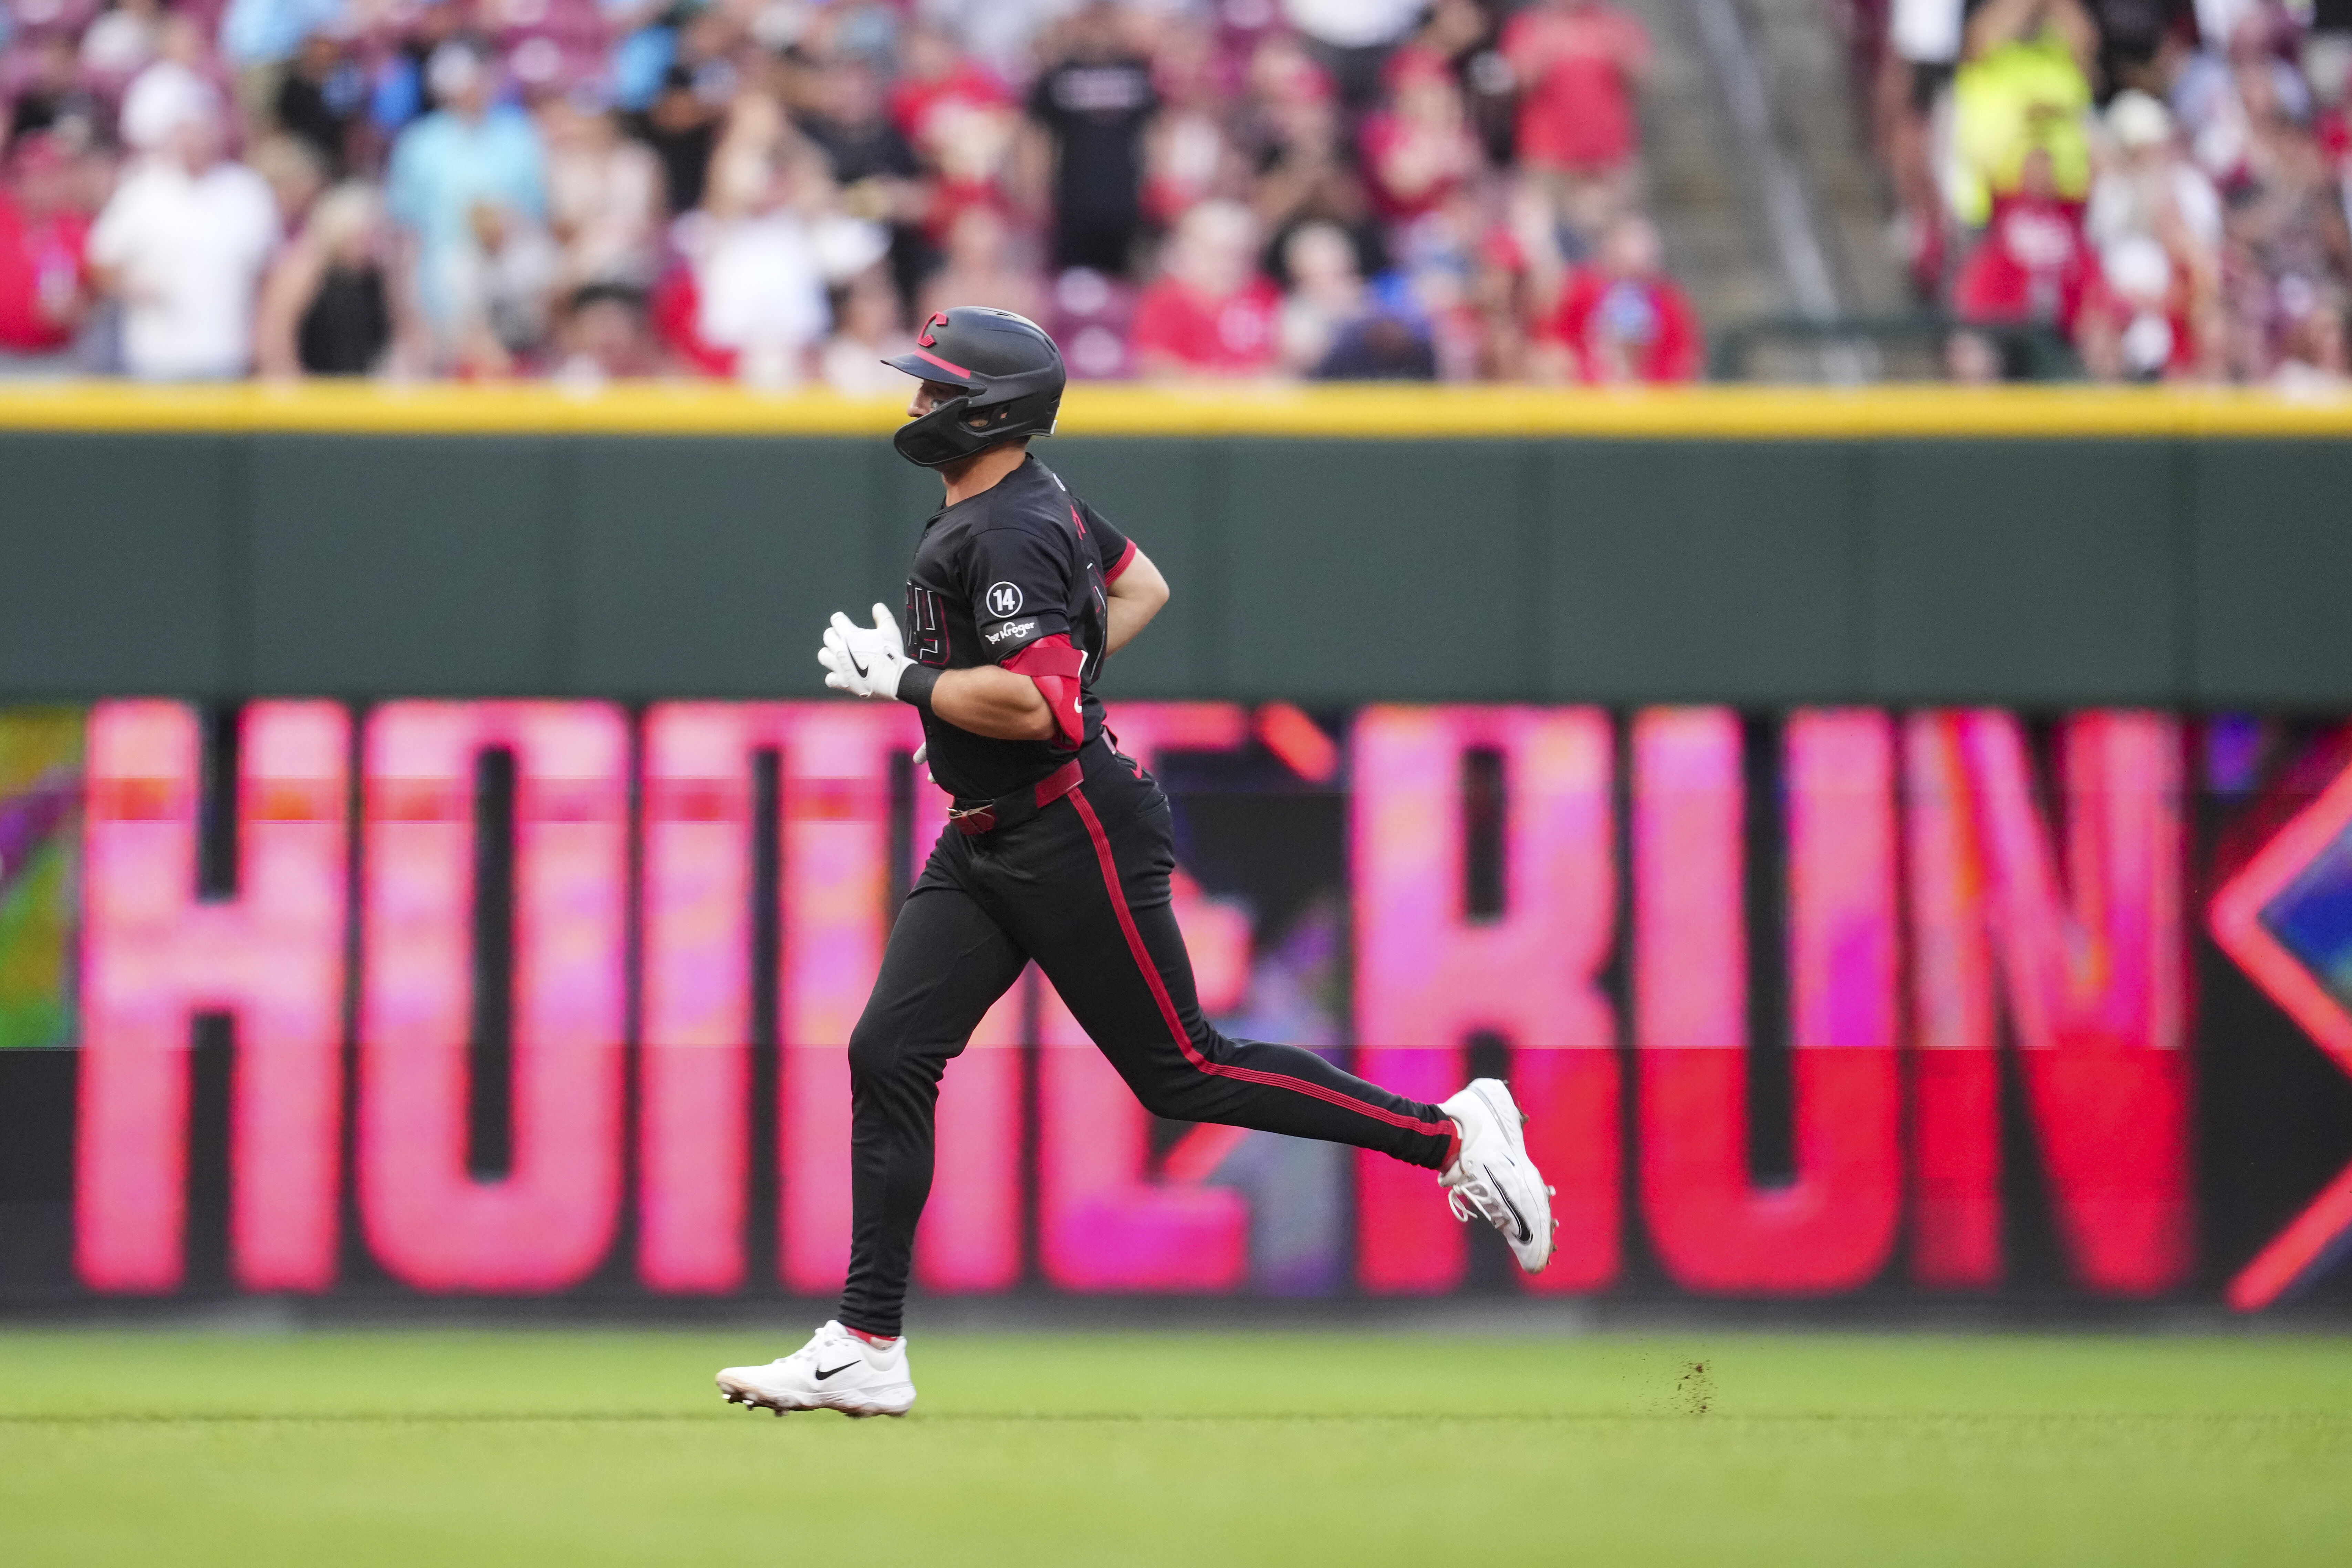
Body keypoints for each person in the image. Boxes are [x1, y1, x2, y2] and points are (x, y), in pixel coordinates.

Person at [714, 308, 1557, 1419]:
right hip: (986, 832)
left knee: (1182, 1068)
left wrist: (909, 684)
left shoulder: (1007, 525)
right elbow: (1140, 585)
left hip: (1067, 827)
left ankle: (1447, 1130)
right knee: (890, 1050)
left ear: (989, 408)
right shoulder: (1026, 501)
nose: (917, 403)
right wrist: (968, 720)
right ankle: (866, 1339)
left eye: (935, 386)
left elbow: (1045, 702)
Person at [86, 72, 279, 380]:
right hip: (156, 360)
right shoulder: (142, 190)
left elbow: (269, 274)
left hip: (228, 356)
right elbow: (100, 263)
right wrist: (132, 287)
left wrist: (264, 336)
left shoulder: (247, 191)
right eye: (185, 133)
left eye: (201, 132)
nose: (193, 143)